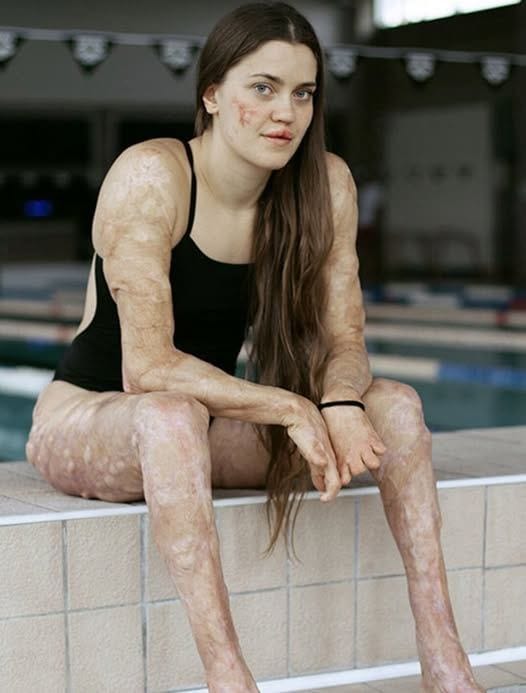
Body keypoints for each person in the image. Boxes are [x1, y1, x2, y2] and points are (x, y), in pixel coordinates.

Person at [26, 3, 484, 692]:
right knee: (170, 414)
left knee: (395, 405)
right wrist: (290, 406)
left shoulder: (324, 185)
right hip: (93, 418)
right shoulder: (154, 176)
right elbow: (147, 369)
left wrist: (337, 401)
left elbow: (345, 339)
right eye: (263, 88)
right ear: (212, 93)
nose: (285, 113)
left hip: (203, 428)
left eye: (303, 93)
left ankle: (446, 666)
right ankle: (229, 679)